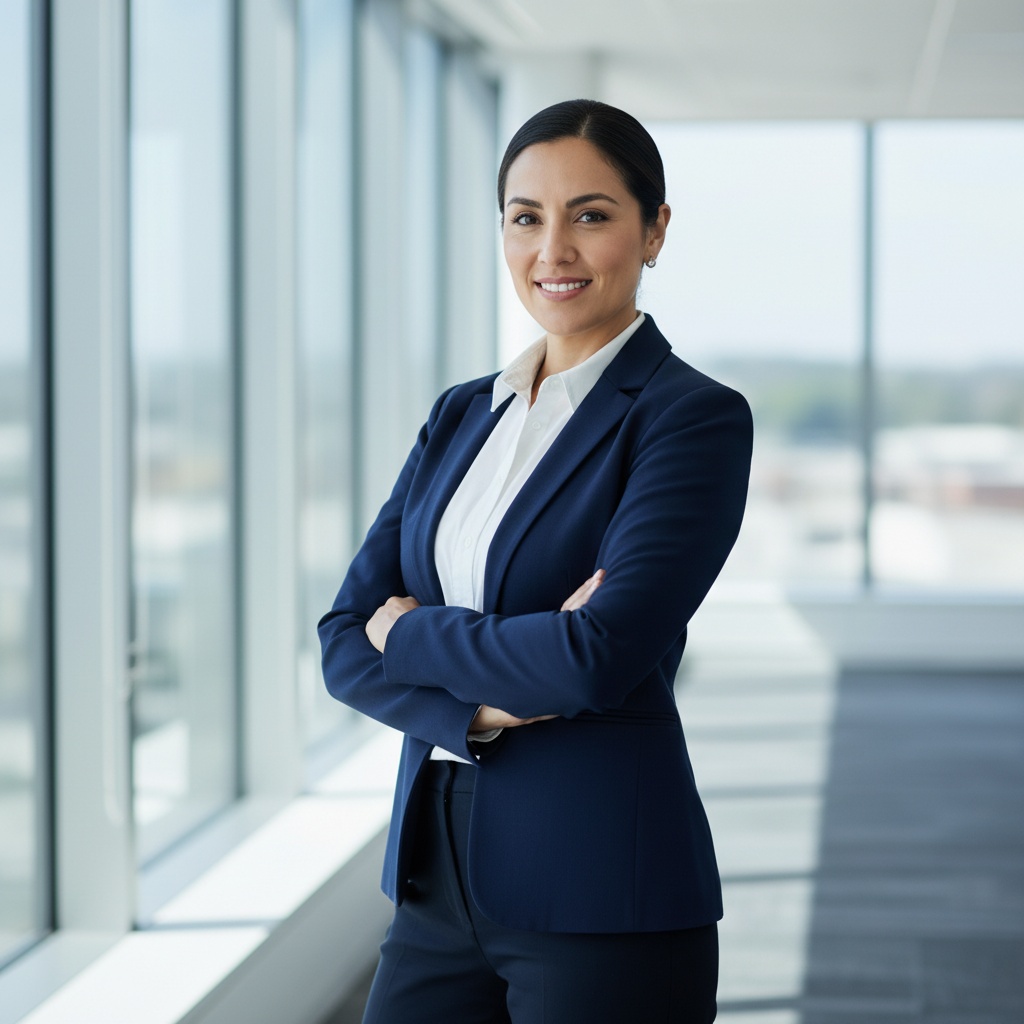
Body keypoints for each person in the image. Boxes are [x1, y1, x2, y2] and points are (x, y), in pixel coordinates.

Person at [318, 98, 753, 1024]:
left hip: (601, 888)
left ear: (654, 230)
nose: (552, 249)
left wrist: (412, 630)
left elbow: (595, 655)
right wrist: (485, 699)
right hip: (437, 875)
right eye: (527, 217)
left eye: (590, 215)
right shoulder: (462, 414)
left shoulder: (688, 419)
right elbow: (342, 641)